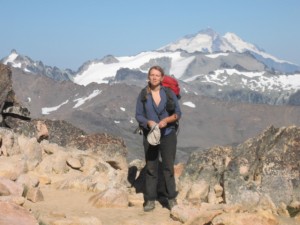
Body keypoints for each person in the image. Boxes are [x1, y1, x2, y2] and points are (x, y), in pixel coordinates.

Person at [135, 65, 182, 212]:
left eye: (157, 75)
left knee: (168, 167)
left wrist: (166, 121)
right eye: (152, 75)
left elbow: (178, 113)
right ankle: (150, 199)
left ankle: (171, 198)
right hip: (151, 136)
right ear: (148, 77)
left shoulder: (168, 93)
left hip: (168, 134)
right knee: (151, 168)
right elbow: (138, 115)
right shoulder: (143, 95)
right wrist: (148, 122)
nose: (154, 77)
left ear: (162, 78)